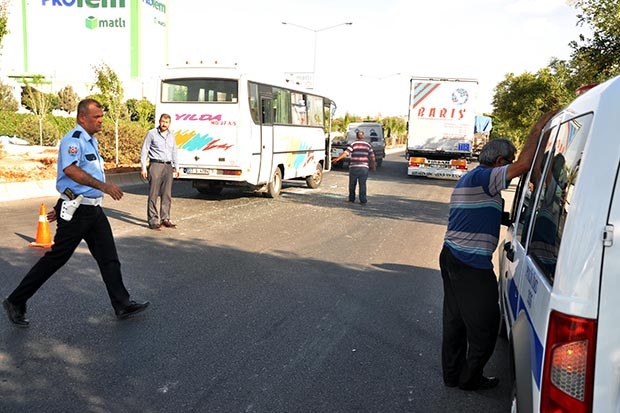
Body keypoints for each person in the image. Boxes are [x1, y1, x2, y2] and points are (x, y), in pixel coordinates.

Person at [2, 99, 150, 328]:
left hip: (91, 209)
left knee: (108, 257)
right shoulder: (74, 140)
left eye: (102, 116)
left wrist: (60, 205)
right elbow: (69, 171)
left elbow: (74, 183)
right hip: (79, 212)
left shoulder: (91, 141)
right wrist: (104, 187)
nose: (101, 121)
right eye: (97, 117)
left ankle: (122, 303)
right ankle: (15, 301)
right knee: (56, 259)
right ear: (83, 117)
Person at [439, 109, 558, 391]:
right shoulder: (486, 178)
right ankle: (470, 378)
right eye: (511, 163)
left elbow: (483, 215)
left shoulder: (472, 180)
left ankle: (452, 375)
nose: (516, 168)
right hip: (470, 265)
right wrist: (539, 127)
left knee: (455, 320)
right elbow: (527, 163)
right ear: (500, 161)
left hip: (452, 257)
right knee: (486, 327)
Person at [140, 113, 179, 230]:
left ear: (169, 123)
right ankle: (153, 220)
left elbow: (174, 152)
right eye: (162, 121)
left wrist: (176, 167)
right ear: (159, 121)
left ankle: (165, 218)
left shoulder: (172, 135)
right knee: (153, 194)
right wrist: (143, 167)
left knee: (167, 194)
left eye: (166, 122)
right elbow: (144, 150)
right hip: (155, 165)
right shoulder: (151, 134)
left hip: (168, 166)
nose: (164, 124)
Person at [332, 129, 376, 204]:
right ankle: (363, 200)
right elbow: (372, 157)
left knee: (352, 184)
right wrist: (373, 166)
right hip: (364, 168)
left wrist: (337, 159)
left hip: (354, 168)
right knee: (362, 184)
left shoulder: (353, 144)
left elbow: (346, 153)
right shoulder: (368, 145)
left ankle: (351, 199)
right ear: (363, 137)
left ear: (356, 136)